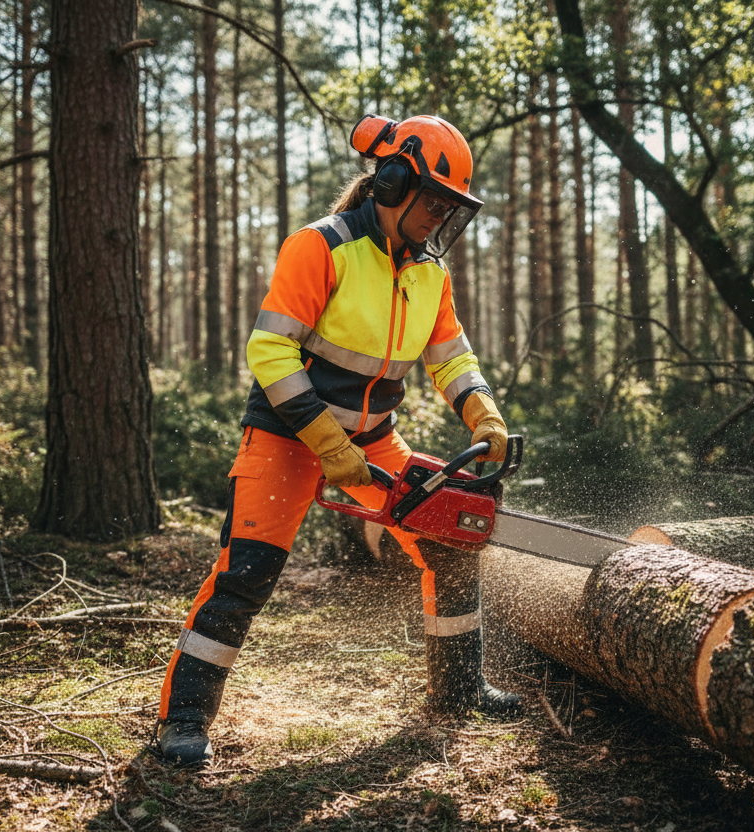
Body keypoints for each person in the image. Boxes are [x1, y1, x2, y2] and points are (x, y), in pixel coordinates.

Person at [156, 114, 521, 767]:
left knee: (452, 543)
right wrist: (323, 437)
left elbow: (450, 357)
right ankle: (183, 718)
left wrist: (484, 412)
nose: (439, 216)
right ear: (391, 179)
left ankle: (459, 690)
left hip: (375, 442)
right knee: (248, 571)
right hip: (288, 434)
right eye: (432, 200)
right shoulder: (320, 247)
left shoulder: (428, 273)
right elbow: (270, 350)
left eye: (449, 207)